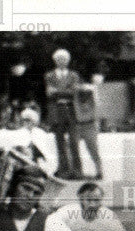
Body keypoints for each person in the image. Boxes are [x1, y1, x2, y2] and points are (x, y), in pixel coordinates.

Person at [44, 49, 83, 179]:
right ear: (55, 60)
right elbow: (49, 93)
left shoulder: (74, 76)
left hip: (71, 110)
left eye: (65, 59)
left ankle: (77, 171)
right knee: (59, 141)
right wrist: (65, 91)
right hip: (56, 110)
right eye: (59, 59)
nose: (62, 61)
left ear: (68, 60)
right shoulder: (49, 75)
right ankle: (63, 170)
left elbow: (74, 92)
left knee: (74, 141)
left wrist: (58, 92)